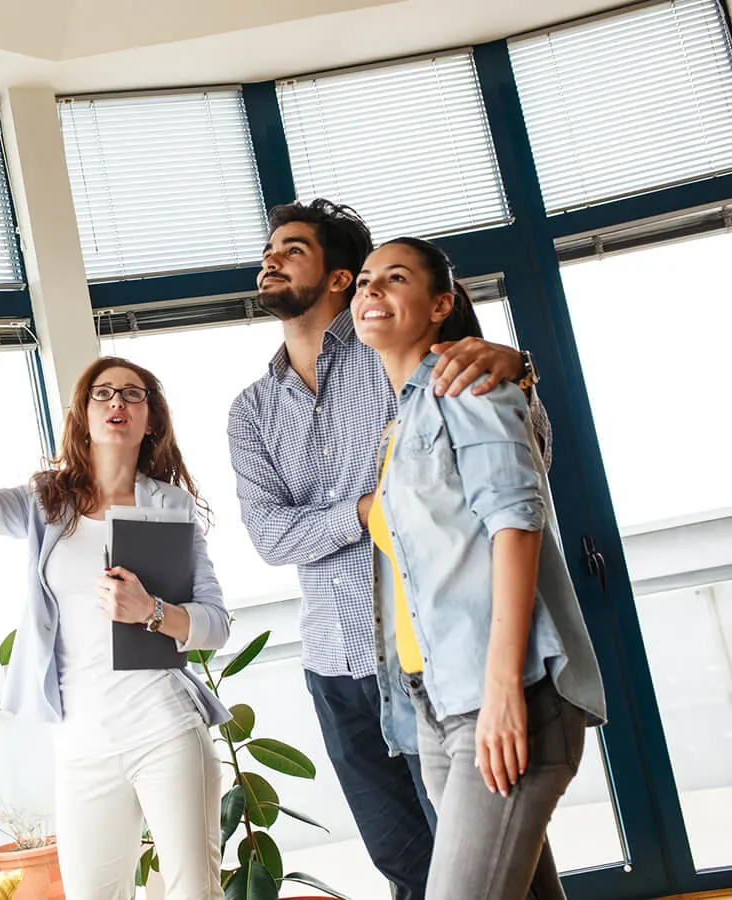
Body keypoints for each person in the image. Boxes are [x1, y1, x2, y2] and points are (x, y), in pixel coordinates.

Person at [226, 199, 551, 900]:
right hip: (335, 663)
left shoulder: (395, 348)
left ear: (342, 278)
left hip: (437, 656)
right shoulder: (251, 410)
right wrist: (368, 508)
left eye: (291, 250)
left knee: (488, 862)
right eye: (268, 252)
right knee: (409, 868)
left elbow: (517, 463)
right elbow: (269, 537)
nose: (269, 261)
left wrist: (520, 371)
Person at [0, 319, 231, 900]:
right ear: (83, 415)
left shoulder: (171, 505)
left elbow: (215, 625)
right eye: (103, 394)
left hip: (162, 725)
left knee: (193, 894)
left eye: (133, 394)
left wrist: (153, 611)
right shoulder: (46, 502)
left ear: (150, 418)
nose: (118, 402)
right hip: (82, 740)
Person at [352, 236, 605, 899]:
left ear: (441, 304)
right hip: (434, 701)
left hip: (502, 697)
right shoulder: (398, 425)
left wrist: (501, 696)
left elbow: (517, 527)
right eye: (365, 281)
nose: (371, 290)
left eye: (395, 278)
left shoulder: (472, 387)